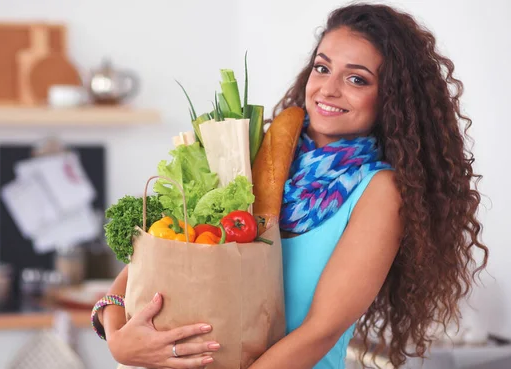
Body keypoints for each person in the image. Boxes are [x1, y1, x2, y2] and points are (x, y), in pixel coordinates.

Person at [91, 3, 488, 369]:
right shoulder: (255, 155)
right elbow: (150, 264)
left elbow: (320, 332)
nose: (328, 89)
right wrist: (117, 339)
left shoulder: (379, 191)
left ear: (393, 99)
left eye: (357, 79)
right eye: (322, 67)